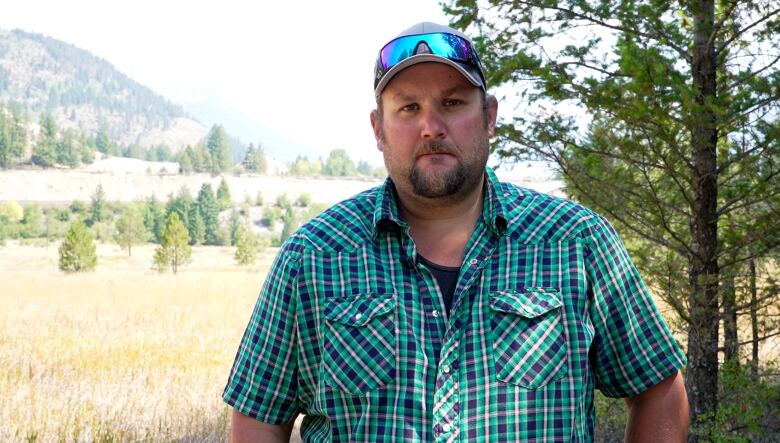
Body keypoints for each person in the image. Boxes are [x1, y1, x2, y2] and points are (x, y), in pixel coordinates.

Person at [223, 22, 689, 442]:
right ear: (378, 129)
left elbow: (659, 390)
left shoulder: (577, 243)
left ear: (488, 117)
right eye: (408, 108)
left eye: (452, 103)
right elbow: (259, 418)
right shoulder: (312, 258)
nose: (431, 127)